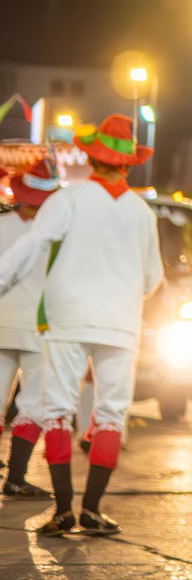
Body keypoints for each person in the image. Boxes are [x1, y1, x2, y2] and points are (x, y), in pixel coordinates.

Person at [0, 115, 162, 535]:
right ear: (127, 163)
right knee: (110, 415)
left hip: (67, 318)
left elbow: (32, 245)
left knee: (57, 411)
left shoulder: (68, 200)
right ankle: (92, 510)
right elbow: (151, 280)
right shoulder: (142, 212)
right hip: (120, 323)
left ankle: (62, 511)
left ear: (91, 157)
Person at [0, 158, 59, 498]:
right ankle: (16, 477)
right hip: (38, 327)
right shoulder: (53, 234)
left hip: (1, 322)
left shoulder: (2, 224)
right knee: (33, 402)